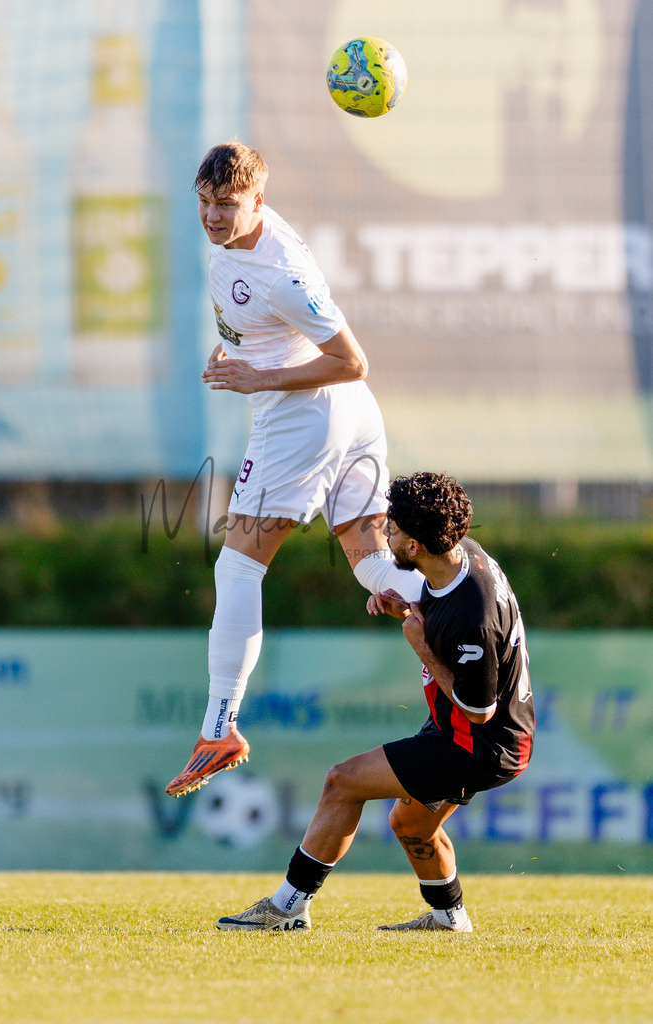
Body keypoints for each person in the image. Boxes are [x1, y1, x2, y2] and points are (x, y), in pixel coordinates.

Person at [165, 142, 425, 798]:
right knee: (372, 568)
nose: (212, 217)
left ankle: (218, 726)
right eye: (204, 202)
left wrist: (260, 375)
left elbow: (353, 360)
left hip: (307, 416)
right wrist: (244, 353)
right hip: (345, 417)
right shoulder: (237, 241)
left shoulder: (284, 271)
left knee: (238, 565)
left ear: (258, 200)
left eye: (226, 205)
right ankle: (475, 607)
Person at [215, 472, 534, 933]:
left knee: (342, 782)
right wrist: (406, 609)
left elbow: (478, 708)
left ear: (415, 547)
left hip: (478, 741)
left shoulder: (474, 615)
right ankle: (449, 919)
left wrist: (420, 644)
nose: (386, 533)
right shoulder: (466, 559)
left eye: (396, 530)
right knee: (410, 822)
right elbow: (443, 609)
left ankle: (286, 908)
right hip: (478, 732)